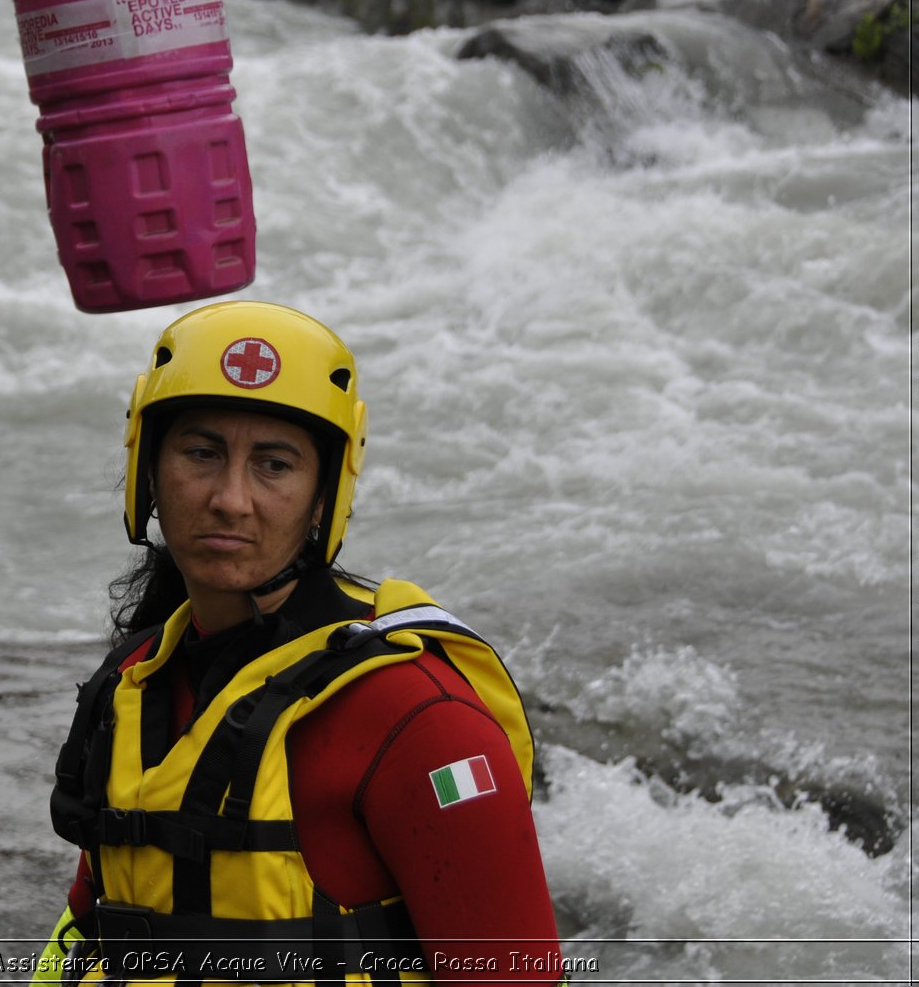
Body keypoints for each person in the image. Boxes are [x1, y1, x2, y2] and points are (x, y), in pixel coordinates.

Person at [36, 301, 565, 986]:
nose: (230, 498)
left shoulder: (422, 721)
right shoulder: (133, 688)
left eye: (274, 464)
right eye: (201, 453)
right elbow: (83, 936)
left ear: (324, 498)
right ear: (150, 471)